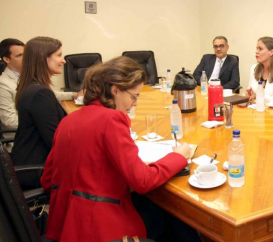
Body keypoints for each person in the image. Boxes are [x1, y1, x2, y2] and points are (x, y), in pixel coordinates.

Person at [41, 56, 198, 242]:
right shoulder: (111, 120)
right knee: (177, 221)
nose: (136, 103)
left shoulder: (68, 120)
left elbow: (47, 179)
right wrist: (178, 157)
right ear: (115, 90)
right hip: (99, 228)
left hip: (64, 225)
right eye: (134, 96)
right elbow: (143, 181)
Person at [11, 37, 69, 189]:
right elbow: (56, 141)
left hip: (27, 160)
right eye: (59, 55)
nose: (63, 61)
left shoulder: (31, 86)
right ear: (43, 58)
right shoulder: (40, 93)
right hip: (37, 169)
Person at [0, 38, 82, 130]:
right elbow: (9, 122)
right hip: (24, 136)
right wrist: (40, 120)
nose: (25, 58)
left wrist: (73, 95)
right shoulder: (3, 84)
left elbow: (48, 94)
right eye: (19, 55)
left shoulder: (27, 78)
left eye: (26, 54)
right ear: (6, 59)